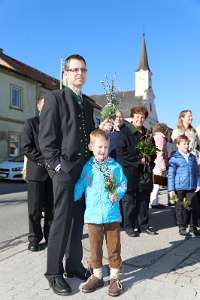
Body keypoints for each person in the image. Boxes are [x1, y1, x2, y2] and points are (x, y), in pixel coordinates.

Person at [39, 54, 95, 296]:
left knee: (78, 221)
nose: (79, 73)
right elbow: (46, 139)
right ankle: (54, 273)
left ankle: (73, 265)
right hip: (64, 171)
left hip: (84, 171)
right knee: (61, 221)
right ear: (65, 73)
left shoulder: (88, 103)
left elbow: (88, 136)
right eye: (74, 70)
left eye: (82, 69)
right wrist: (57, 167)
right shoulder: (55, 97)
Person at [74, 129, 127, 297]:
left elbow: (123, 184)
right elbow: (82, 185)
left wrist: (117, 194)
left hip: (112, 215)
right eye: (99, 147)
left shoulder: (114, 167)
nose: (102, 150)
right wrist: (71, 196)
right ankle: (97, 276)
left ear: (109, 146)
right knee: (95, 248)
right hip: (93, 216)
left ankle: (114, 277)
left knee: (114, 248)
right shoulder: (88, 168)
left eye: (105, 146)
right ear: (91, 147)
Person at [116, 105, 157, 237]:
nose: (139, 119)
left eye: (142, 117)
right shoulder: (125, 132)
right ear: (132, 117)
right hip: (129, 171)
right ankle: (129, 226)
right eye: (137, 116)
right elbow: (121, 154)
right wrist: (138, 160)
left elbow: (154, 152)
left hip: (144, 173)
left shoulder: (147, 133)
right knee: (129, 200)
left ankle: (143, 225)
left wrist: (148, 157)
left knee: (144, 199)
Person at [24, 96, 54, 252]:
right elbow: (27, 148)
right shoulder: (31, 123)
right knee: (34, 209)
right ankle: (34, 239)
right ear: (38, 106)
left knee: (51, 208)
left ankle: (50, 236)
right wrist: (45, 161)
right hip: (36, 173)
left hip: (53, 174)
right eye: (44, 104)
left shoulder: (56, 125)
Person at [168, 135, 200, 236]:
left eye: (187, 143)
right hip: (179, 188)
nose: (186, 146)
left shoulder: (192, 157)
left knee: (193, 207)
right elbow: (171, 175)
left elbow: (197, 172)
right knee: (180, 207)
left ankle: (193, 226)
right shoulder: (174, 158)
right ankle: (181, 226)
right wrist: (171, 189)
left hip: (191, 187)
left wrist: (198, 183)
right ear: (178, 145)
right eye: (184, 144)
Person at [150, 123, 169, 209]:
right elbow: (159, 152)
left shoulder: (155, 136)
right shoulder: (161, 138)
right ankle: (154, 203)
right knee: (157, 185)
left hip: (155, 163)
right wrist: (163, 166)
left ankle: (156, 202)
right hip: (158, 164)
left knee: (158, 184)